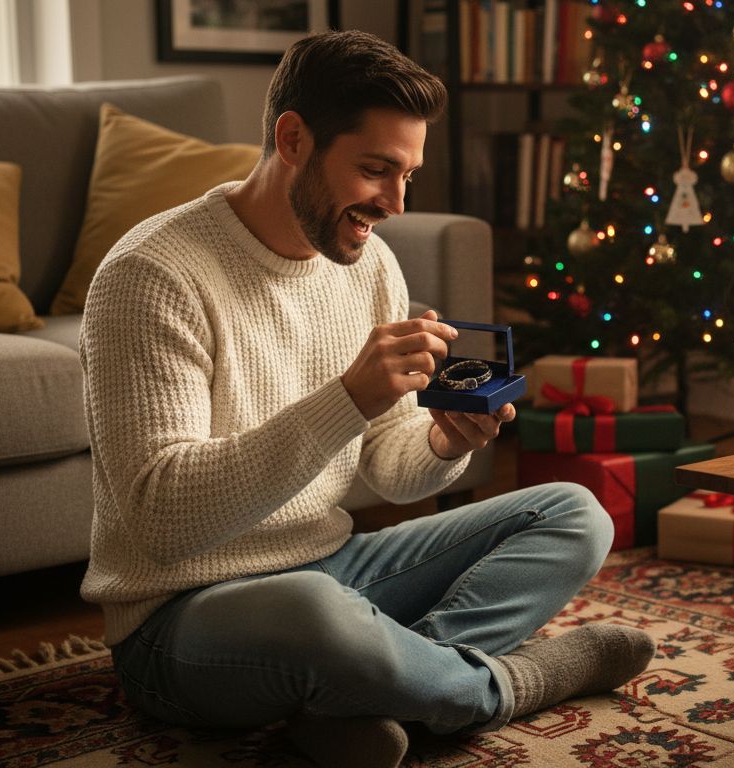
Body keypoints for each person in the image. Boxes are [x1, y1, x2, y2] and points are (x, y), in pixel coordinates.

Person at [78, 29, 655, 768]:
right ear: (293, 139)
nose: (395, 202)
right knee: (314, 615)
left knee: (573, 511)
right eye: (376, 169)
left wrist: (445, 442)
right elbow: (162, 520)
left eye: (407, 174)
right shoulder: (151, 276)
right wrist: (346, 398)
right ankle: (505, 684)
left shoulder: (369, 264)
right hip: (180, 618)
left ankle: (365, 691)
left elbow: (388, 465)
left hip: (333, 568)